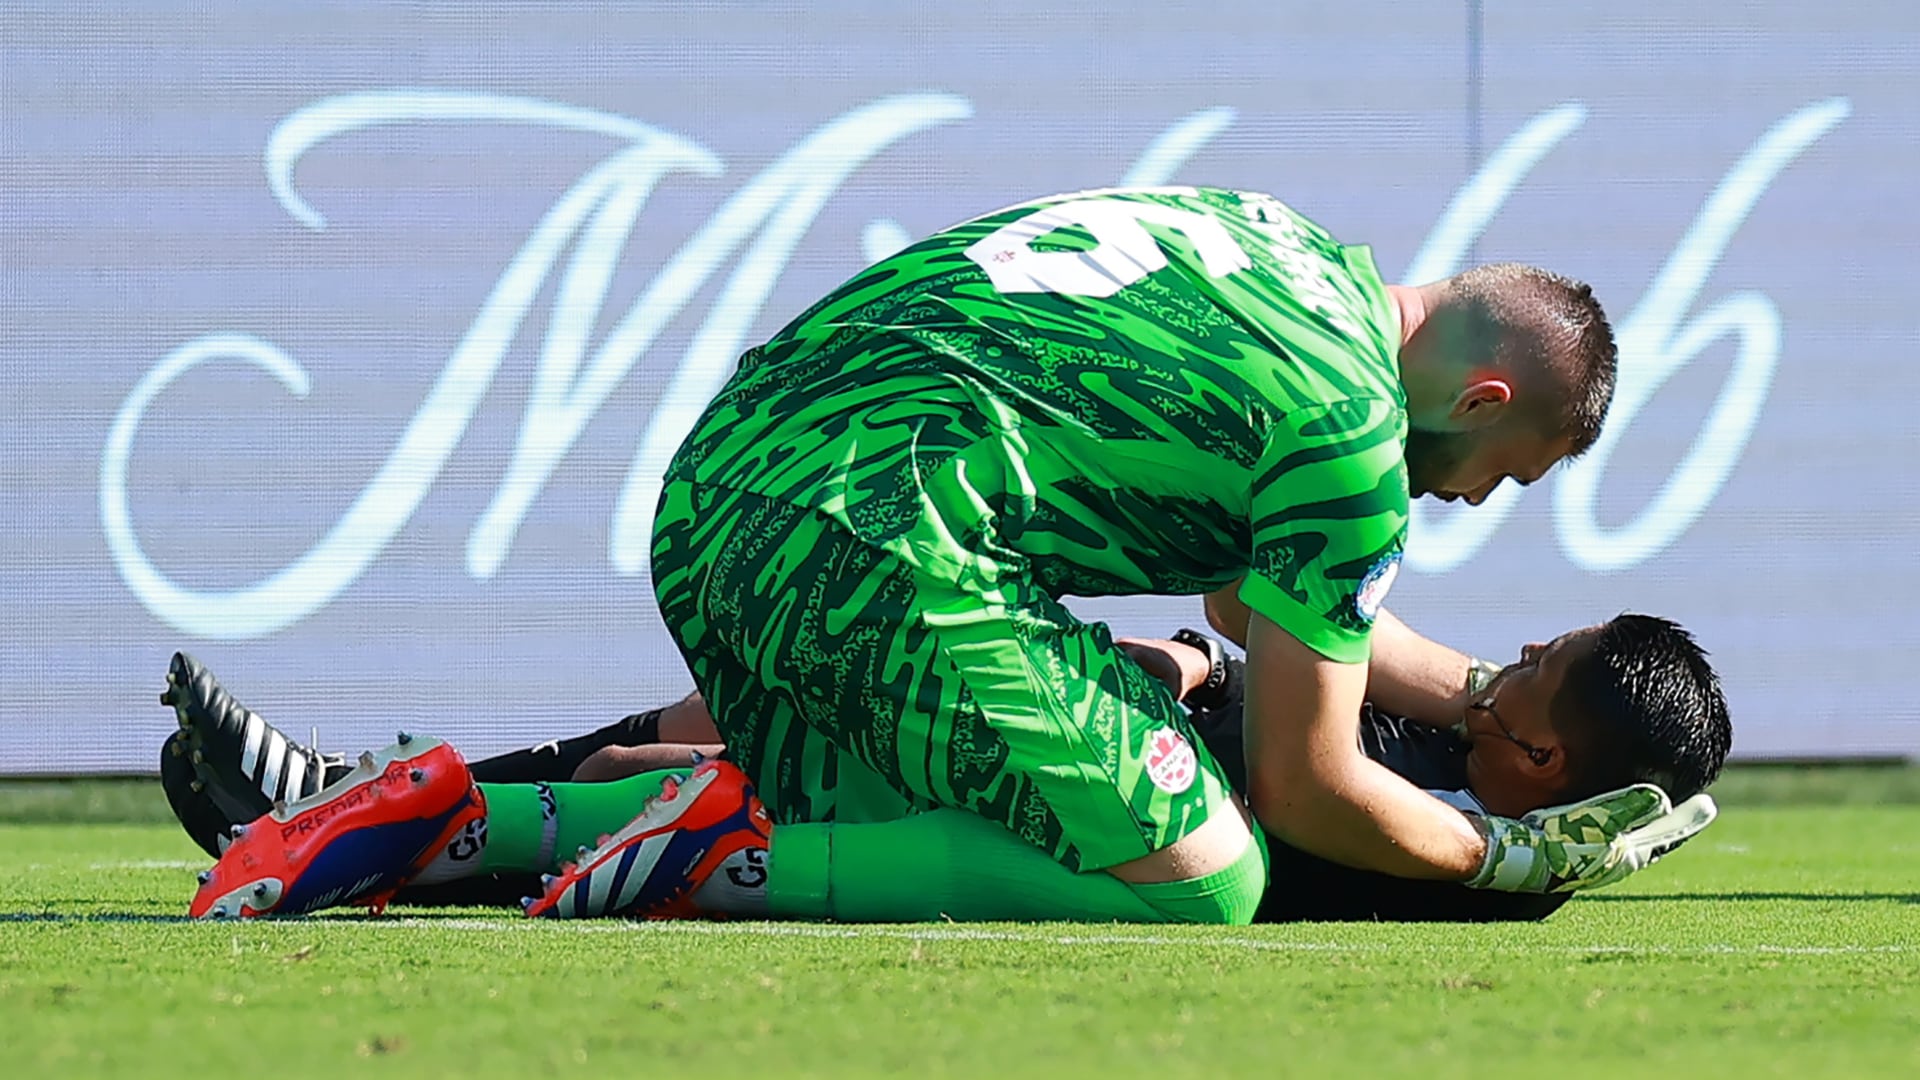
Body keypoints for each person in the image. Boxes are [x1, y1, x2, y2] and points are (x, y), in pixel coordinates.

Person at [189, 185, 1665, 923]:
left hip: (718, 500)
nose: (1467, 505)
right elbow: (1311, 781)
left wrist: (1478, 691)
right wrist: (1511, 850)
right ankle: (715, 856)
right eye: (1497, 472)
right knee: (1205, 873)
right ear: (1482, 399)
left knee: (917, 800)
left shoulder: (1265, 234)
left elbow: (1247, 600)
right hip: (881, 545)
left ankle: (435, 816)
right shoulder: (1352, 443)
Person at [169, 612, 1728, 922]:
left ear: (1542, 756)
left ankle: (335, 821)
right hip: (1087, 745)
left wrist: (1182, 679)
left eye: (1538, 663)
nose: (1505, 652)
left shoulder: (1459, 848)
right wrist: (1178, 671)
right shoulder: (1471, 744)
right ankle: (331, 800)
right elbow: (1252, 640)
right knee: (741, 708)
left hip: (1068, 811)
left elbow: (1271, 666)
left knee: (679, 778)